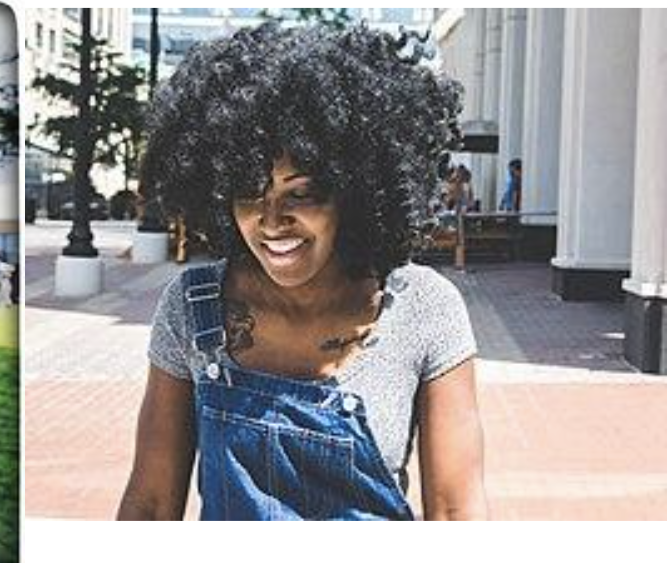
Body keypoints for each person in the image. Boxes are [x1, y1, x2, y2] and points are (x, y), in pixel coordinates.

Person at [120, 23, 489, 520]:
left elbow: (456, 512)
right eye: (250, 192)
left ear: (355, 191)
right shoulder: (192, 308)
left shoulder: (423, 307)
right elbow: (150, 504)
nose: (272, 220)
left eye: (302, 193)